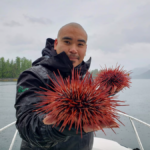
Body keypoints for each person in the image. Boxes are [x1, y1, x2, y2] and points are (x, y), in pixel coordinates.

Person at [15, 22, 118, 150]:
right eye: (67, 42)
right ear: (56, 43)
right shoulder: (32, 76)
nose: (73, 49)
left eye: (80, 44)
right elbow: (27, 127)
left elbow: (88, 106)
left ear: (85, 48)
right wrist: (58, 127)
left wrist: (104, 94)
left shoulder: (86, 77)